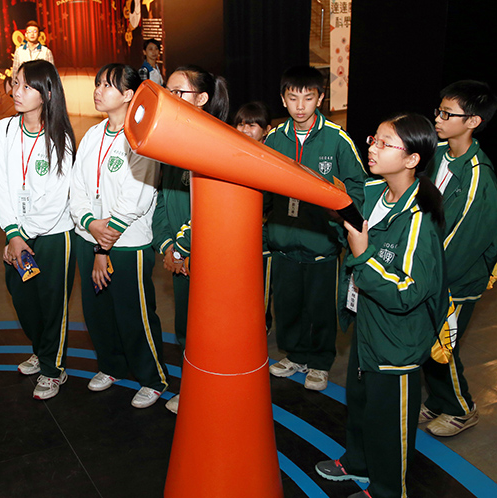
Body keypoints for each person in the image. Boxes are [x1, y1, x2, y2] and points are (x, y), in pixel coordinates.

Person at [316, 113, 448, 498]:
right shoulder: (374, 191)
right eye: (374, 139)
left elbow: (408, 291)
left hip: (398, 339)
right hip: (368, 320)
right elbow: (350, 231)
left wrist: (362, 255)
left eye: (385, 143)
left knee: (390, 421)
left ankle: (389, 489)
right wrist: (336, 215)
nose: (372, 148)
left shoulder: (420, 216)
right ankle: (358, 462)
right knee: (361, 402)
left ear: (412, 159)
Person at [70, 63, 168, 409]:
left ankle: (152, 378)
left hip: (126, 243)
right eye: (97, 84)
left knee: (134, 314)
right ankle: (111, 366)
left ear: (128, 94)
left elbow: (136, 198)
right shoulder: (93, 135)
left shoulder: (141, 136)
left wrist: (103, 245)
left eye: (107, 86)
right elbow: (77, 187)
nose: (98, 91)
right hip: (89, 236)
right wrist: (88, 222)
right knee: (98, 312)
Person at [264, 65, 366, 391]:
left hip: (321, 243)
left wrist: (339, 222)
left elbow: (357, 187)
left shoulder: (337, 139)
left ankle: (320, 362)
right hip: (283, 241)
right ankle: (294, 354)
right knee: (287, 305)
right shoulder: (273, 139)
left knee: (321, 308)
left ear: (320, 98)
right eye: (293, 98)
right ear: (283, 99)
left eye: (308, 98)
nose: (300, 106)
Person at [0, 60, 77, 400]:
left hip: (54, 234)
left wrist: (23, 235)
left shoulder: (61, 137)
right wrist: (13, 234)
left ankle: (53, 370)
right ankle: (42, 351)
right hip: (17, 233)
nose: (16, 91)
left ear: (47, 93)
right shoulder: (3, 130)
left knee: (52, 304)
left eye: (26, 86)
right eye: (15, 83)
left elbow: (57, 197)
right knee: (23, 299)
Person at [419, 80, 497, 436]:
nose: (438, 118)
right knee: (427, 341)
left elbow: (463, 243)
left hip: (455, 279)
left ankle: (462, 408)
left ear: (473, 122)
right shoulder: (435, 152)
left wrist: (425, 276)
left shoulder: (479, 177)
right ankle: (439, 400)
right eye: (439, 110)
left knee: (442, 346)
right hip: (431, 270)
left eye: (447, 114)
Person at [152, 65, 229, 414]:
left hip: (209, 258)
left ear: (201, 98)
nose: (169, 97)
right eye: (166, 91)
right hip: (180, 257)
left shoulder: (215, 142)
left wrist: (181, 248)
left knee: (210, 330)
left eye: (177, 92)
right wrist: (167, 246)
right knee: (186, 328)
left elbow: (211, 209)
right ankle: (193, 388)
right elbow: (160, 199)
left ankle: (211, 393)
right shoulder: (171, 140)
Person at [233, 101, 274, 332]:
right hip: (236, 236)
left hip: (263, 237)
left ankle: (260, 328)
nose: (245, 130)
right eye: (240, 124)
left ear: (266, 130)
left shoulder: (272, 158)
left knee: (261, 288)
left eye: (252, 125)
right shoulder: (232, 154)